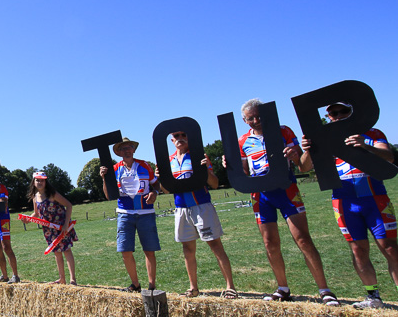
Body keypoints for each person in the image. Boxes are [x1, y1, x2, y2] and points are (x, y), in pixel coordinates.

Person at [228, 98, 339, 305]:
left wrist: (299, 153)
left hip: (286, 190)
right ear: (244, 120)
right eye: (250, 118)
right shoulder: (243, 141)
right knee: (270, 243)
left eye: (258, 116)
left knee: (303, 239)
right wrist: (230, 165)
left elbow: (303, 166)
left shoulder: (283, 131)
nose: (255, 121)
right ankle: (282, 288)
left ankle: (324, 289)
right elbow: (243, 173)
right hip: (261, 196)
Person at [301, 102, 398, 309]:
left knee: (390, 249)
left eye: (343, 111)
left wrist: (366, 146)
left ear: (352, 112)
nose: (338, 116)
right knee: (358, 250)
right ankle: (373, 297)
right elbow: (305, 166)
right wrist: (308, 150)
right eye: (333, 113)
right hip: (344, 201)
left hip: (375, 199)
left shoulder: (372, 132)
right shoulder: (324, 138)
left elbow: (389, 157)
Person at [158, 131, 237, 298]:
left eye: (183, 135)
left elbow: (214, 183)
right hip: (181, 209)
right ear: (172, 140)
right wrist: (160, 180)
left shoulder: (199, 156)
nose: (180, 138)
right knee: (187, 248)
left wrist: (204, 169)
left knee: (215, 245)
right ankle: (193, 287)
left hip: (201, 206)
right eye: (176, 136)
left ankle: (230, 287)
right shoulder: (169, 161)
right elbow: (166, 190)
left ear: (189, 137)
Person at [100, 137, 160, 292]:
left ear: (134, 150)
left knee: (149, 250)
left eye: (129, 147)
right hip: (125, 214)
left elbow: (156, 184)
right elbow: (109, 196)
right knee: (125, 251)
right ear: (119, 152)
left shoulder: (145, 165)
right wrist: (104, 179)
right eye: (123, 148)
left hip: (146, 212)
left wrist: (155, 192)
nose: (127, 150)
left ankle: (152, 287)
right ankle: (136, 285)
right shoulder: (114, 169)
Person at [27, 171, 77, 285]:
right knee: (57, 252)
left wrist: (65, 225)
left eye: (42, 180)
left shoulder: (52, 194)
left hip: (61, 226)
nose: (40, 182)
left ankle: (72, 279)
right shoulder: (35, 197)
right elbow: (36, 213)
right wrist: (28, 219)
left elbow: (68, 205)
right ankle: (62, 279)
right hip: (48, 229)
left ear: (46, 182)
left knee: (67, 250)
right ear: (33, 182)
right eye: (37, 180)